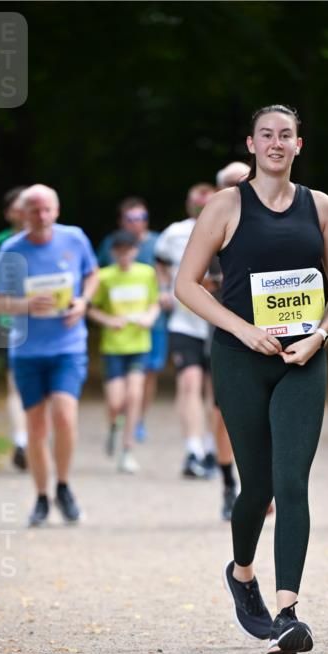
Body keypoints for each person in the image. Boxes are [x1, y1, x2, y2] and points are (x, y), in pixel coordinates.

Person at [176, 104, 328, 654]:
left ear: (299, 145)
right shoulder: (225, 206)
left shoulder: (319, 206)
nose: (276, 143)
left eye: (287, 135)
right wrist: (243, 330)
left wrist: (319, 338)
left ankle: (288, 611)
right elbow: (188, 284)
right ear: (251, 145)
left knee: (292, 481)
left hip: (303, 359)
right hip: (240, 358)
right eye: (266, 135)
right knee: (258, 488)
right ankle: (243, 573)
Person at [0, 184, 99, 527]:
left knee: (65, 416)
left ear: (57, 210)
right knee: (36, 425)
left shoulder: (75, 239)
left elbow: (92, 274)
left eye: (46, 209)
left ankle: (63, 486)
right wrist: (24, 305)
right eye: (33, 210)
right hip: (27, 351)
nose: (41, 216)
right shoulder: (11, 250)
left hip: (67, 346)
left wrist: (83, 302)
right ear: (21, 213)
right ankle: (40, 495)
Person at [155, 183, 218, 478]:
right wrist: (164, 289)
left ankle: (211, 448)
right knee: (189, 382)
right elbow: (160, 261)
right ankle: (193, 449)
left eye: (206, 203)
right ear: (188, 205)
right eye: (196, 203)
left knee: (215, 391)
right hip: (185, 321)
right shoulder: (174, 232)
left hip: (220, 321)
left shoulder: (229, 225)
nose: (200, 208)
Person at [96, 197, 169, 442]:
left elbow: (167, 273)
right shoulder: (110, 246)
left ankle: (138, 421)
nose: (136, 223)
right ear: (122, 221)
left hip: (151, 325)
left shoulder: (159, 242)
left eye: (141, 218)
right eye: (131, 218)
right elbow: (97, 282)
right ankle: (120, 419)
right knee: (120, 393)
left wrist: (163, 299)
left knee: (147, 375)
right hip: (118, 334)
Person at [88, 230, 160, 473]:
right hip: (114, 347)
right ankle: (113, 426)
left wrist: (150, 317)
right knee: (115, 402)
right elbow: (91, 308)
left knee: (134, 396)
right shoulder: (105, 276)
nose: (124, 255)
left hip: (139, 345)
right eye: (119, 251)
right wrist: (108, 320)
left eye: (128, 251)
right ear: (113, 253)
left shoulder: (146, 273)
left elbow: (154, 303)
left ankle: (127, 450)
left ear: (135, 251)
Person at [212, 161, 251, 520]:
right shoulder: (212, 223)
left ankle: (257, 486)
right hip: (221, 335)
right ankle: (228, 482)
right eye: (230, 183)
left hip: (270, 334)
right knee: (226, 415)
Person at [0, 186, 29, 470]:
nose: (22, 211)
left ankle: (35, 437)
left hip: (42, 319)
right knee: (15, 384)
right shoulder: (1, 241)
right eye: (17, 206)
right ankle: (21, 440)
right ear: (8, 213)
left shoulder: (55, 237)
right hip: (10, 320)